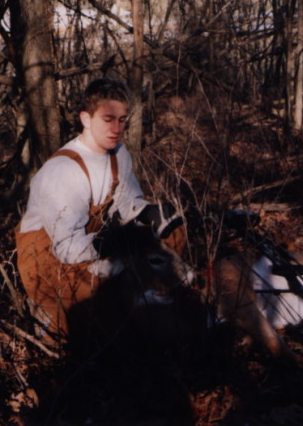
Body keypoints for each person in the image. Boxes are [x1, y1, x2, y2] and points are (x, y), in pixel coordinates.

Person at [15, 77, 182, 342]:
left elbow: (129, 203)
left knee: (175, 236)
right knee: (102, 318)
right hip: (50, 258)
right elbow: (66, 248)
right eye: (108, 119)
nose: (117, 128)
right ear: (86, 119)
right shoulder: (63, 172)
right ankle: (48, 322)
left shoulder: (118, 153)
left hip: (94, 240)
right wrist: (111, 242)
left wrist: (150, 213)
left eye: (123, 119)